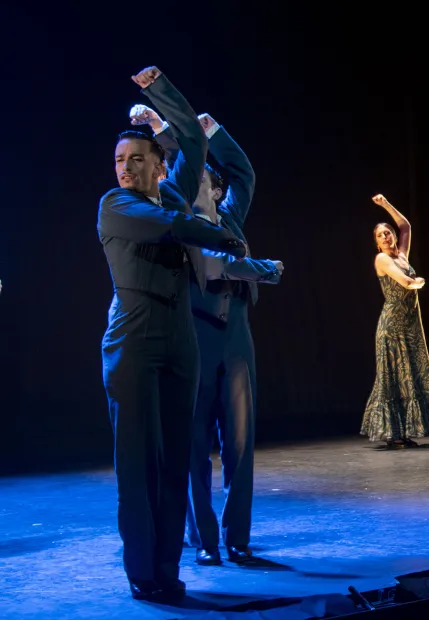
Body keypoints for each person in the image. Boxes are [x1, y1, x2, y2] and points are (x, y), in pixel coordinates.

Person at [100, 66, 246, 602]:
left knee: (175, 460)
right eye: (120, 161)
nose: (126, 169)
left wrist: (160, 91)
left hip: (178, 336)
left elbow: (190, 138)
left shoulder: (174, 191)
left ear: (160, 167)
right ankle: (143, 572)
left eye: (138, 159)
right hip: (133, 340)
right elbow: (174, 227)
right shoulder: (116, 207)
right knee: (138, 462)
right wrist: (223, 235)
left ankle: (167, 569)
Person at [131, 105, 282, 566]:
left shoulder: (230, 217)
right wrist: (163, 128)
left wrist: (212, 128)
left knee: (239, 439)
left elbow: (243, 171)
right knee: (194, 442)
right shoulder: (179, 212)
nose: (210, 187)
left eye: (213, 185)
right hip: (195, 329)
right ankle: (204, 538)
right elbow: (184, 169)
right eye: (203, 182)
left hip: (236, 332)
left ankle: (237, 536)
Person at [360, 194, 429, 448]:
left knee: (411, 375)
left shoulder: (403, 255)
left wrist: (385, 205)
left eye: (388, 233)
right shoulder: (383, 260)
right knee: (394, 377)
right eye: (380, 235)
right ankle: (393, 434)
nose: (386, 237)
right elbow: (405, 281)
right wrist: (416, 282)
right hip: (392, 326)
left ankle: (404, 432)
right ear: (376, 243)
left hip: (409, 325)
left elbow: (406, 225)